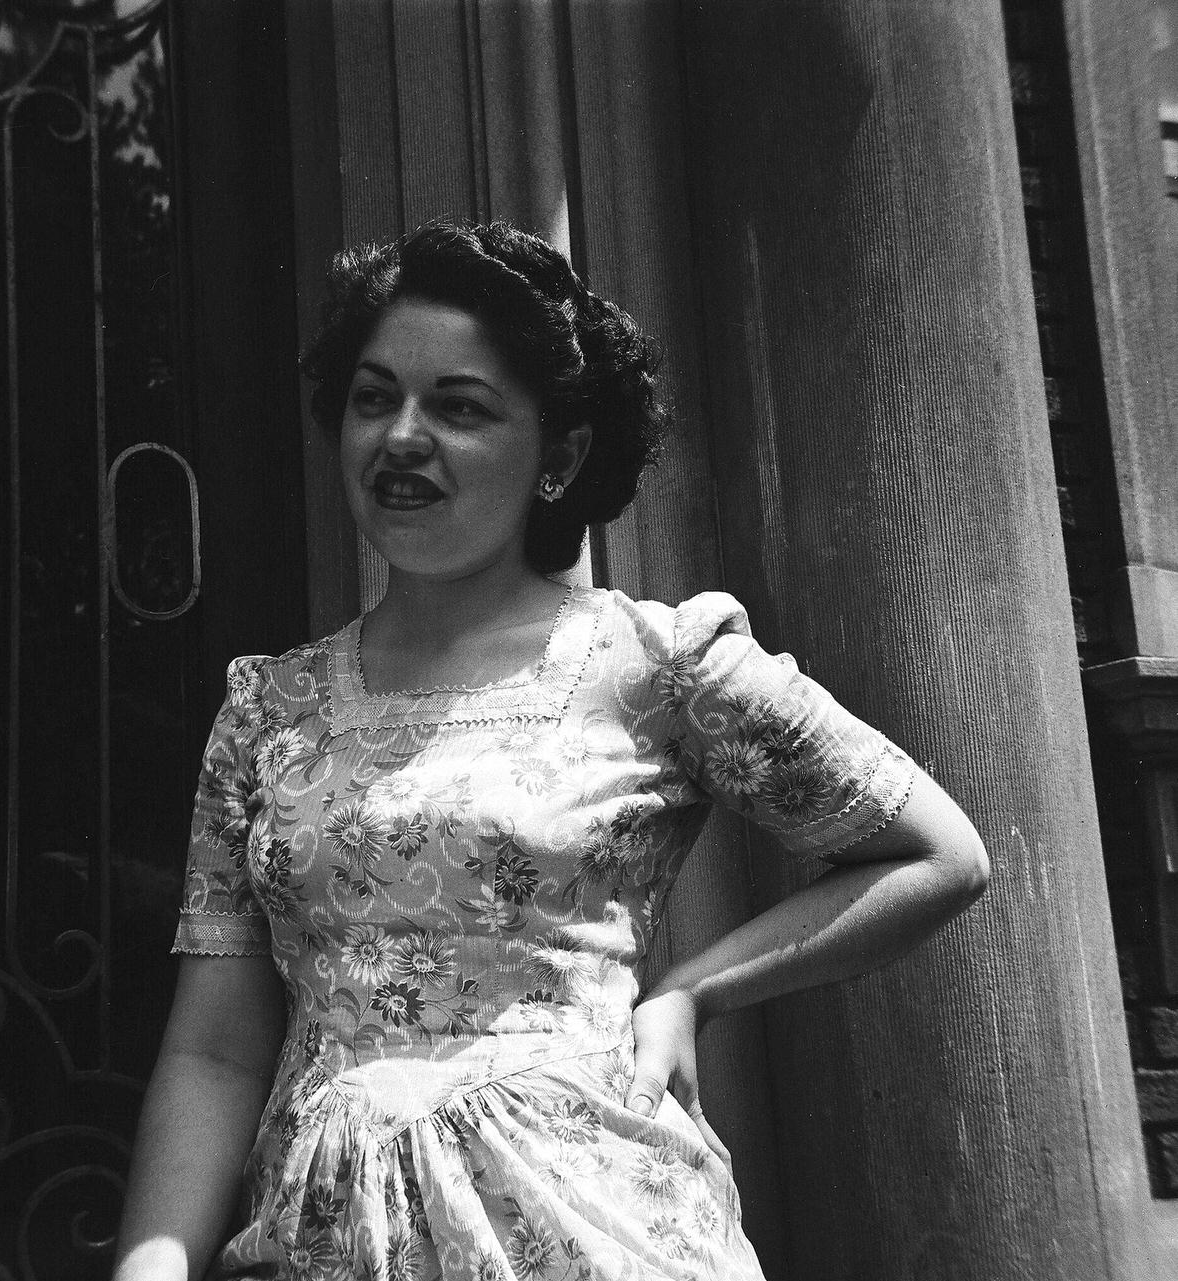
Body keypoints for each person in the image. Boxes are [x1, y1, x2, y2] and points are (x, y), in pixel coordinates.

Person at [112, 220, 989, 1281]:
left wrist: (692, 991)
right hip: (324, 1241)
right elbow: (213, 1050)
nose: (401, 436)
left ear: (560, 456)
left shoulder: (656, 663)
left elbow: (936, 855)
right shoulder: (266, 711)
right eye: (373, 396)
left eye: (460, 407)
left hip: (593, 1223)